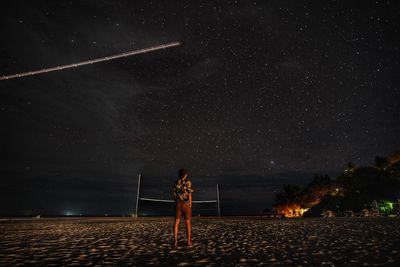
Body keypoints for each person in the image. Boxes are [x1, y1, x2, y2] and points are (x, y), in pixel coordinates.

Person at [173, 168, 194, 247]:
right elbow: (189, 194)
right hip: (186, 204)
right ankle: (188, 241)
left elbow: (174, 194)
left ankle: (175, 242)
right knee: (187, 223)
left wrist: (176, 202)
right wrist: (190, 204)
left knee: (176, 223)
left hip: (178, 203)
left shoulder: (176, 183)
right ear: (185, 175)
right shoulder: (188, 182)